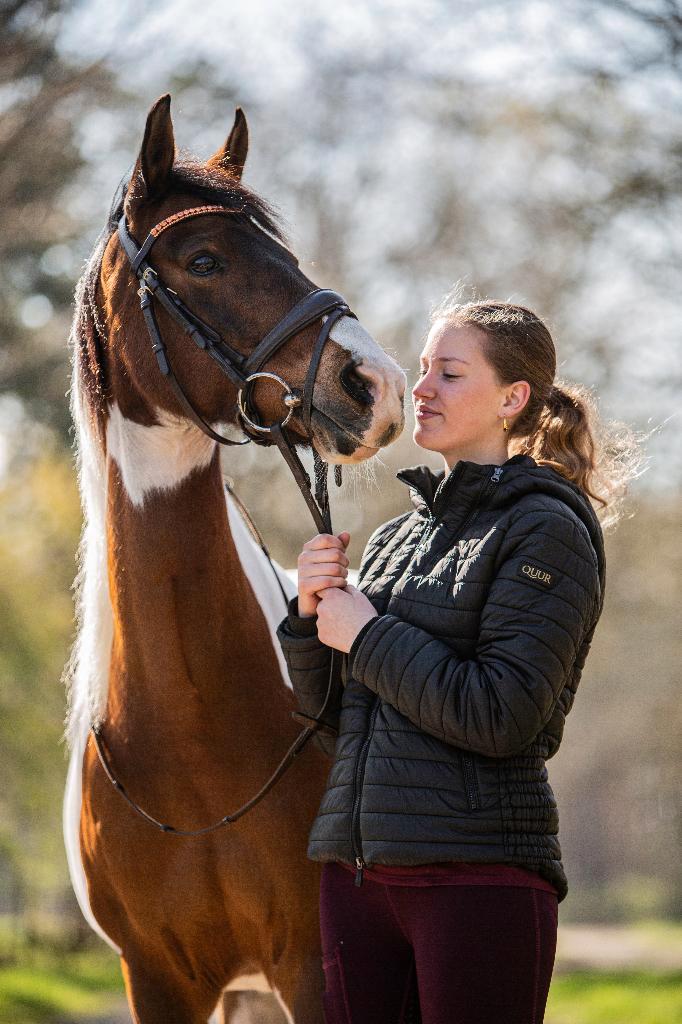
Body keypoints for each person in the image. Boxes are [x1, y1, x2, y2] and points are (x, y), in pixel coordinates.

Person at [276, 298, 633, 1024]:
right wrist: (312, 622)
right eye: (422, 369)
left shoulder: (546, 529)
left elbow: (502, 714)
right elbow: (338, 727)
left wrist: (366, 635)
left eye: (449, 371)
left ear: (512, 399)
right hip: (356, 879)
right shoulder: (392, 541)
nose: (422, 388)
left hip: (477, 882)